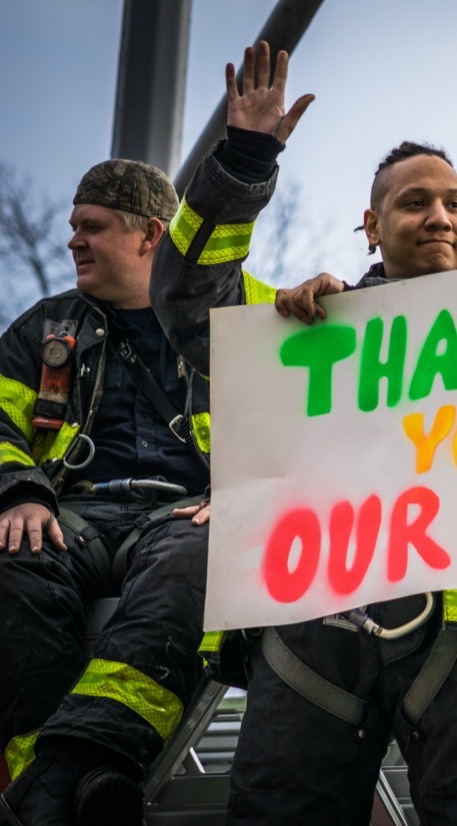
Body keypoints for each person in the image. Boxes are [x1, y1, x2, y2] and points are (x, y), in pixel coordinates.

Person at [150, 41, 457, 825]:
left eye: (454, 203)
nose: (438, 217)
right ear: (370, 227)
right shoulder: (307, 327)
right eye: (414, 203)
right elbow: (187, 298)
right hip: (311, 629)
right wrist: (241, 162)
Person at [0, 160, 214, 826]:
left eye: (91, 227)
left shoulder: (221, 318)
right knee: (13, 566)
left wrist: (245, 495)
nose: (73, 241)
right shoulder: (42, 329)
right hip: (70, 513)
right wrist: (21, 494)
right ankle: (82, 773)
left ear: (151, 235)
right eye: (71, 228)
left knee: (196, 566)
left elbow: (293, 409)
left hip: (186, 515)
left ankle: (50, 788)